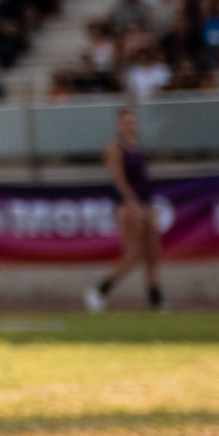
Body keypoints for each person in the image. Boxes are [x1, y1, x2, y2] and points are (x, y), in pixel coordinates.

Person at [88, 98, 162, 312]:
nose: (130, 125)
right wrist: (133, 204)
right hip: (128, 206)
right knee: (133, 254)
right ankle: (99, 291)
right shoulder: (115, 148)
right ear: (119, 124)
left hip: (145, 204)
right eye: (126, 121)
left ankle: (156, 301)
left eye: (133, 121)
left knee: (152, 253)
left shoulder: (138, 148)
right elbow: (119, 181)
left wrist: (148, 205)